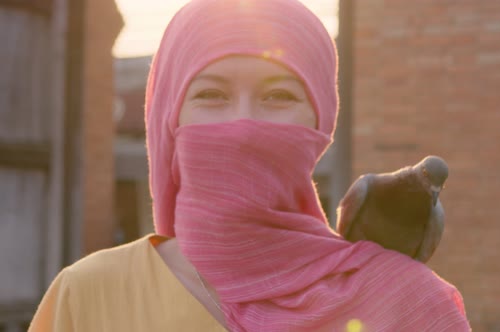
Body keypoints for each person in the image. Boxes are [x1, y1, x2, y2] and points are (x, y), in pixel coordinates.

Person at [29, 0, 471, 331]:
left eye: (279, 95)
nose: (243, 126)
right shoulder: (88, 296)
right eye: (211, 94)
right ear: (169, 118)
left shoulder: (405, 302)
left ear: (322, 120)